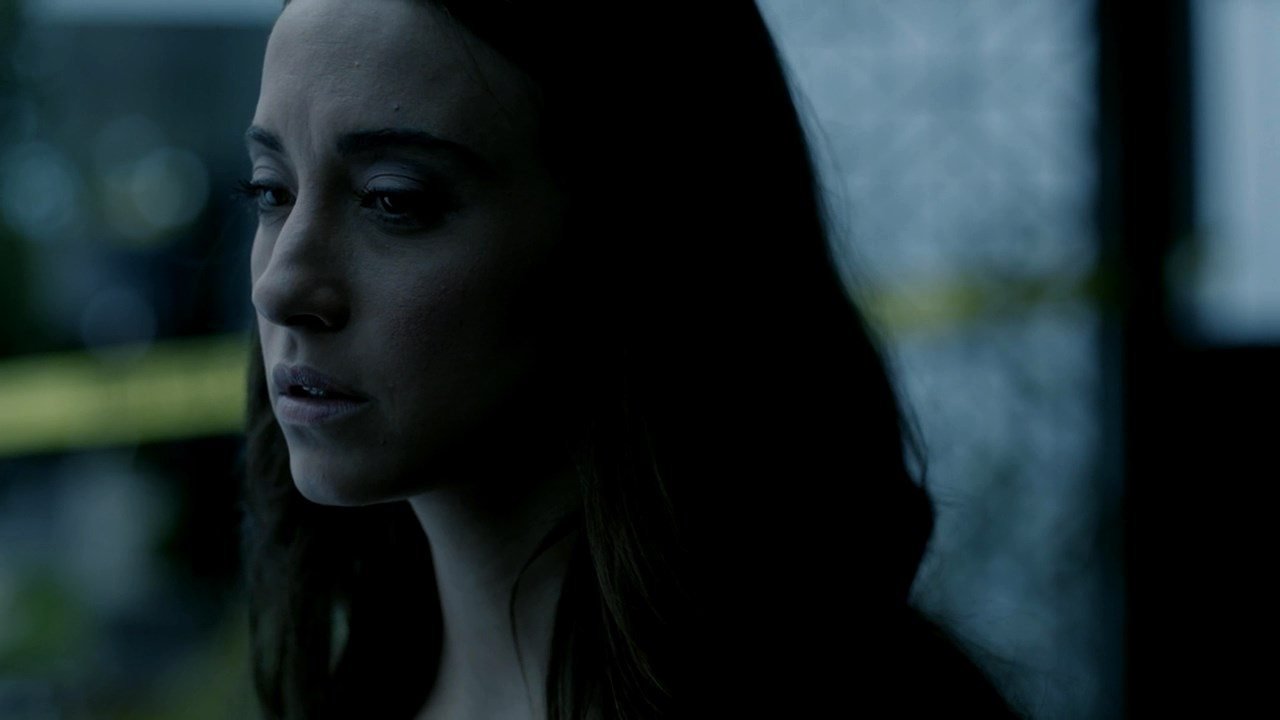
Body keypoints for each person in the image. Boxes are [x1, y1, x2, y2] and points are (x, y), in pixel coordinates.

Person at [237, 1, 1023, 718]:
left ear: (634, 235)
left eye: (393, 199)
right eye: (271, 191)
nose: (280, 286)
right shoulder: (338, 690)